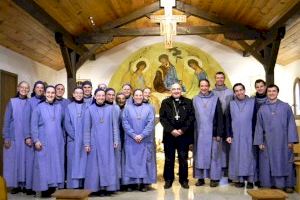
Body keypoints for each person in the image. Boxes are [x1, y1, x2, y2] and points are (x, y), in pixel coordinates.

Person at [254, 84, 299, 193]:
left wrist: (291, 140)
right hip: (267, 141)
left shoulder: (285, 106)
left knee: (285, 161)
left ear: (277, 93)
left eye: (274, 91)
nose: (271, 93)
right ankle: (268, 184)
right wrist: (259, 141)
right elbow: (259, 125)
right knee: (267, 163)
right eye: (269, 91)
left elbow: (291, 124)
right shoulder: (262, 108)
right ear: (266, 93)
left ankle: (287, 184)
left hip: (283, 141)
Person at [84, 89, 120, 196]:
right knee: (94, 167)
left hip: (108, 142)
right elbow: (86, 128)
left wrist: (116, 140)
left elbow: (115, 126)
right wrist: (86, 144)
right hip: (94, 143)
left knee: (107, 165)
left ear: (105, 97)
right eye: (98, 95)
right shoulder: (89, 109)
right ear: (94, 97)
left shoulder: (110, 109)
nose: (100, 97)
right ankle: (95, 189)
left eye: (102, 95)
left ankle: (106, 188)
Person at [31, 86, 65, 197]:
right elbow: (33, 125)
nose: (50, 95)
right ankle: (44, 189)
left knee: (55, 164)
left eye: (53, 93)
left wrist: (62, 139)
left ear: (55, 94)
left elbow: (62, 124)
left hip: (57, 141)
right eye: (48, 92)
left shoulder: (59, 107)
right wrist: (36, 140)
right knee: (44, 165)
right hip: (43, 140)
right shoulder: (38, 107)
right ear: (45, 93)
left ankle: (52, 188)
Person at [160, 83, 195, 189]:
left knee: (183, 159)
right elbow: (163, 118)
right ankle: (168, 180)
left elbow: (191, 118)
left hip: (183, 136)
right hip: (169, 136)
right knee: (169, 159)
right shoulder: (165, 102)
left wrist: (182, 130)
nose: (176, 91)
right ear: (171, 91)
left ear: (181, 90)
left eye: (178, 89)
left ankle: (184, 180)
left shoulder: (188, 102)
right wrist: (171, 130)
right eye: (174, 89)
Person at [122, 89, 156, 192]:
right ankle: (131, 184)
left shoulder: (149, 108)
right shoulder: (127, 108)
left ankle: (143, 184)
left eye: (140, 95)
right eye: (136, 95)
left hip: (144, 140)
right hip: (131, 140)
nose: (138, 97)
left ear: (143, 96)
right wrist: (133, 135)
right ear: (133, 96)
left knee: (144, 162)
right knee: (131, 162)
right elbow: (125, 123)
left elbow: (151, 123)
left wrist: (142, 135)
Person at [2, 81, 31, 194]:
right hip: (14, 136)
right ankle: (15, 185)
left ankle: (25, 184)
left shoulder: (30, 102)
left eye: (26, 88)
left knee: (25, 161)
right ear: (18, 88)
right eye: (22, 87)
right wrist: (6, 137)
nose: (24, 89)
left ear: (29, 90)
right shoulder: (12, 102)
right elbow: (7, 120)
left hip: (26, 137)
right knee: (14, 161)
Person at [193, 79, 223, 187]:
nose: (204, 88)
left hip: (213, 133)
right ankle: (200, 178)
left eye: (206, 86)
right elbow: (192, 118)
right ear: (199, 87)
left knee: (213, 155)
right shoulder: (195, 99)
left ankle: (214, 178)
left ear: (209, 86)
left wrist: (219, 133)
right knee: (199, 155)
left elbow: (220, 116)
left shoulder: (215, 99)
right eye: (202, 86)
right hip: (199, 133)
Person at [225, 83, 256, 188]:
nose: (239, 92)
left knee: (250, 157)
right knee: (236, 157)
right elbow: (227, 120)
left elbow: (256, 121)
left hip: (249, 135)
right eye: (236, 91)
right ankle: (239, 180)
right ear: (234, 93)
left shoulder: (252, 102)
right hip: (235, 135)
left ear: (244, 90)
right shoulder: (231, 104)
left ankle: (251, 180)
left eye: (241, 90)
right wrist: (228, 135)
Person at [64, 87, 88, 189]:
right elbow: (67, 123)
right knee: (72, 162)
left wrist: (84, 138)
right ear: (73, 94)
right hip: (73, 140)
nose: (79, 95)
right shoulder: (68, 107)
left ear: (83, 95)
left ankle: (83, 184)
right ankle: (72, 185)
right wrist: (75, 136)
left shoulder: (87, 106)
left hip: (84, 140)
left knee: (84, 162)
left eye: (81, 93)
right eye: (76, 93)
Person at [25, 80, 46, 195]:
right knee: (31, 163)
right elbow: (26, 120)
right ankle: (30, 187)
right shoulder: (29, 102)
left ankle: (39, 186)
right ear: (34, 89)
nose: (40, 89)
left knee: (40, 164)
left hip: (41, 136)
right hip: (31, 136)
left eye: (42, 88)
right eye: (38, 87)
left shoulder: (45, 101)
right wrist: (28, 136)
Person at [212, 72, 233, 178]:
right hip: (217, 123)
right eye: (217, 77)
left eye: (221, 77)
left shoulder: (230, 92)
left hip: (228, 122)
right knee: (218, 148)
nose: (219, 79)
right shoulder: (211, 93)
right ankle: (218, 171)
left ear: (224, 79)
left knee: (228, 148)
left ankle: (228, 171)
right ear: (215, 79)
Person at [253, 79, 267, 187]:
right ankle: (257, 178)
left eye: (261, 86)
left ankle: (267, 179)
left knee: (266, 157)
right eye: (257, 86)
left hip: (268, 133)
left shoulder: (271, 98)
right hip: (254, 132)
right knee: (256, 157)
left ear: (265, 87)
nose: (259, 88)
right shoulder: (252, 100)